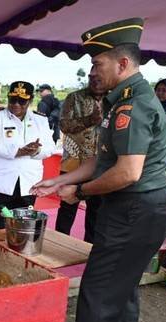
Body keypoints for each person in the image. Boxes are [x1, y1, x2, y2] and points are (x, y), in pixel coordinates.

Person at [31, 18, 166, 322]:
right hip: (137, 209)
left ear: (122, 65)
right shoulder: (122, 102)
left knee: (97, 292)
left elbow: (127, 172)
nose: (93, 71)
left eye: (98, 64)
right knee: (121, 292)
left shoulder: (134, 106)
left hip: (133, 209)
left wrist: (80, 194)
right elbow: (103, 159)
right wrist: (62, 180)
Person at [0, 81, 54, 228]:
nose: (16, 104)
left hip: (28, 181)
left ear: (30, 100)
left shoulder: (40, 120)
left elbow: (50, 148)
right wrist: (18, 151)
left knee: (25, 224)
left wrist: (36, 151)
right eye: (12, 100)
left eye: (22, 101)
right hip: (1, 181)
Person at [54, 76, 106, 243]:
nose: (95, 81)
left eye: (99, 78)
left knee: (97, 210)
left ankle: (89, 248)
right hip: (74, 161)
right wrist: (89, 120)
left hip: (102, 164)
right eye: (92, 78)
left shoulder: (114, 100)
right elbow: (64, 126)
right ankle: (60, 244)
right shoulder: (74, 98)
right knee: (68, 206)